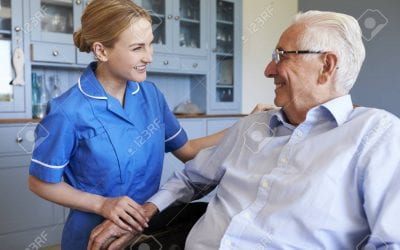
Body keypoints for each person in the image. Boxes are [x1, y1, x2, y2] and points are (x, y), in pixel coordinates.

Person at [89, 10, 400, 249]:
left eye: (281, 56)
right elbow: (189, 177)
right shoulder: (253, 127)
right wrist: (141, 216)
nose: (268, 69)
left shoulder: (376, 135)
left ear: (327, 65)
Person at [27, 0, 261, 249]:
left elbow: (188, 151)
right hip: (92, 237)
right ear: (102, 51)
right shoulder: (68, 110)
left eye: (150, 44)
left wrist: (245, 124)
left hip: (145, 229)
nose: (149, 57)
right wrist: (102, 204)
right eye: (138, 48)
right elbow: (39, 182)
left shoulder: (151, 96)